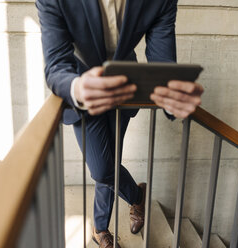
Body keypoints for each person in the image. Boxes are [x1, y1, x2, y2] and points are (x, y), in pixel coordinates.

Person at [36, 0, 204, 247]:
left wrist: (171, 95)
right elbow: (56, 65)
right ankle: (136, 195)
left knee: (110, 161)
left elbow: (163, 62)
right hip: (84, 93)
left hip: (125, 89)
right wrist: (77, 88)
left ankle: (100, 228)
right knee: (102, 169)